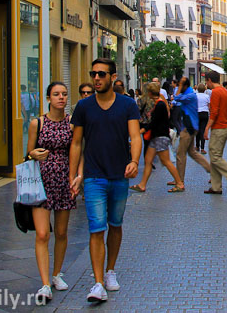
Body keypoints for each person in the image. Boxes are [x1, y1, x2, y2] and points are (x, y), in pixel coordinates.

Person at [69, 58, 142, 302]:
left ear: (112, 77)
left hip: (119, 175)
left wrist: (134, 161)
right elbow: (76, 142)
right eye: (94, 74)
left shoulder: (127, 105)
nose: (97, 78)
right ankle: (98, 283)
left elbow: (135, 134)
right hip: (93, 177)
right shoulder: (84, 107)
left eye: (101, 74)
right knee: (96, 228)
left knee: (115, 224)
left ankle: (110, 270)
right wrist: (74, 175)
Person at [27, 82, 76, 302]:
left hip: (63, 180)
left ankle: (57, 273)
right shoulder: (37, 122)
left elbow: (77, 150)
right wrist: (32, 154)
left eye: (64, 94)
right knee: (42, 234)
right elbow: (27, 152)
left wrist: (77, 177)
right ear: (48, 98)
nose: (61, 98)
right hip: (41, 180)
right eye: (56, 94)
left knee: (62, 232)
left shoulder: (72, 124)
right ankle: (45, 282)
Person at [130, 83, 184, 193]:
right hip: (156, 137)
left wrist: (142, 130)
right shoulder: (159, 103)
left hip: (160, 136)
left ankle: (179, 183)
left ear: (149, 93)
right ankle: (142, 184)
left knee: (166, 161)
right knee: (148, 160)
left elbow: (154, 122)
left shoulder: (160, 105)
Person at [172, 77, 211, 185]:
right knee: (192, 152)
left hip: (189, 127)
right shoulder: (190, 94)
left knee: (180, 154)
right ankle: (212, 171)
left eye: (181, 85)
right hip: (190, 126)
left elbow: (177, 98)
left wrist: (179, 86)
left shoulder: (190, 95)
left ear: (184, 86)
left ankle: (179, 180)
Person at [195, 84, 210, 154]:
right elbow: (209, 106)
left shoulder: (195, 96)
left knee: (197, 130)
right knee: (203, 130)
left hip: (197, 113)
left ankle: (197, 146)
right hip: (205, 113)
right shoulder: (207, 96)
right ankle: (203, 148)